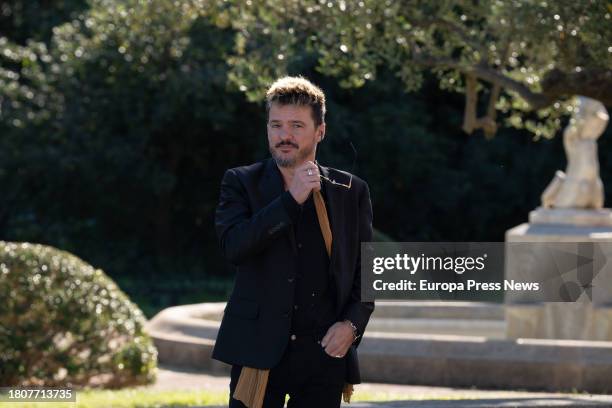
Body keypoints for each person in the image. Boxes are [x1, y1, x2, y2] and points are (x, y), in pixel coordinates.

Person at [213, 76, 374, 408]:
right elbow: (234, 247)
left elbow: (368, 270)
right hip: (257, 352)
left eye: (297, 126)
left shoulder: (351, 191)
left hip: (323, 356)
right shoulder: (241, 182)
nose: (284, 135)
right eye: (276, 125)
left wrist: (352, 325)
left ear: (320, 131)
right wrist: (291, 199)